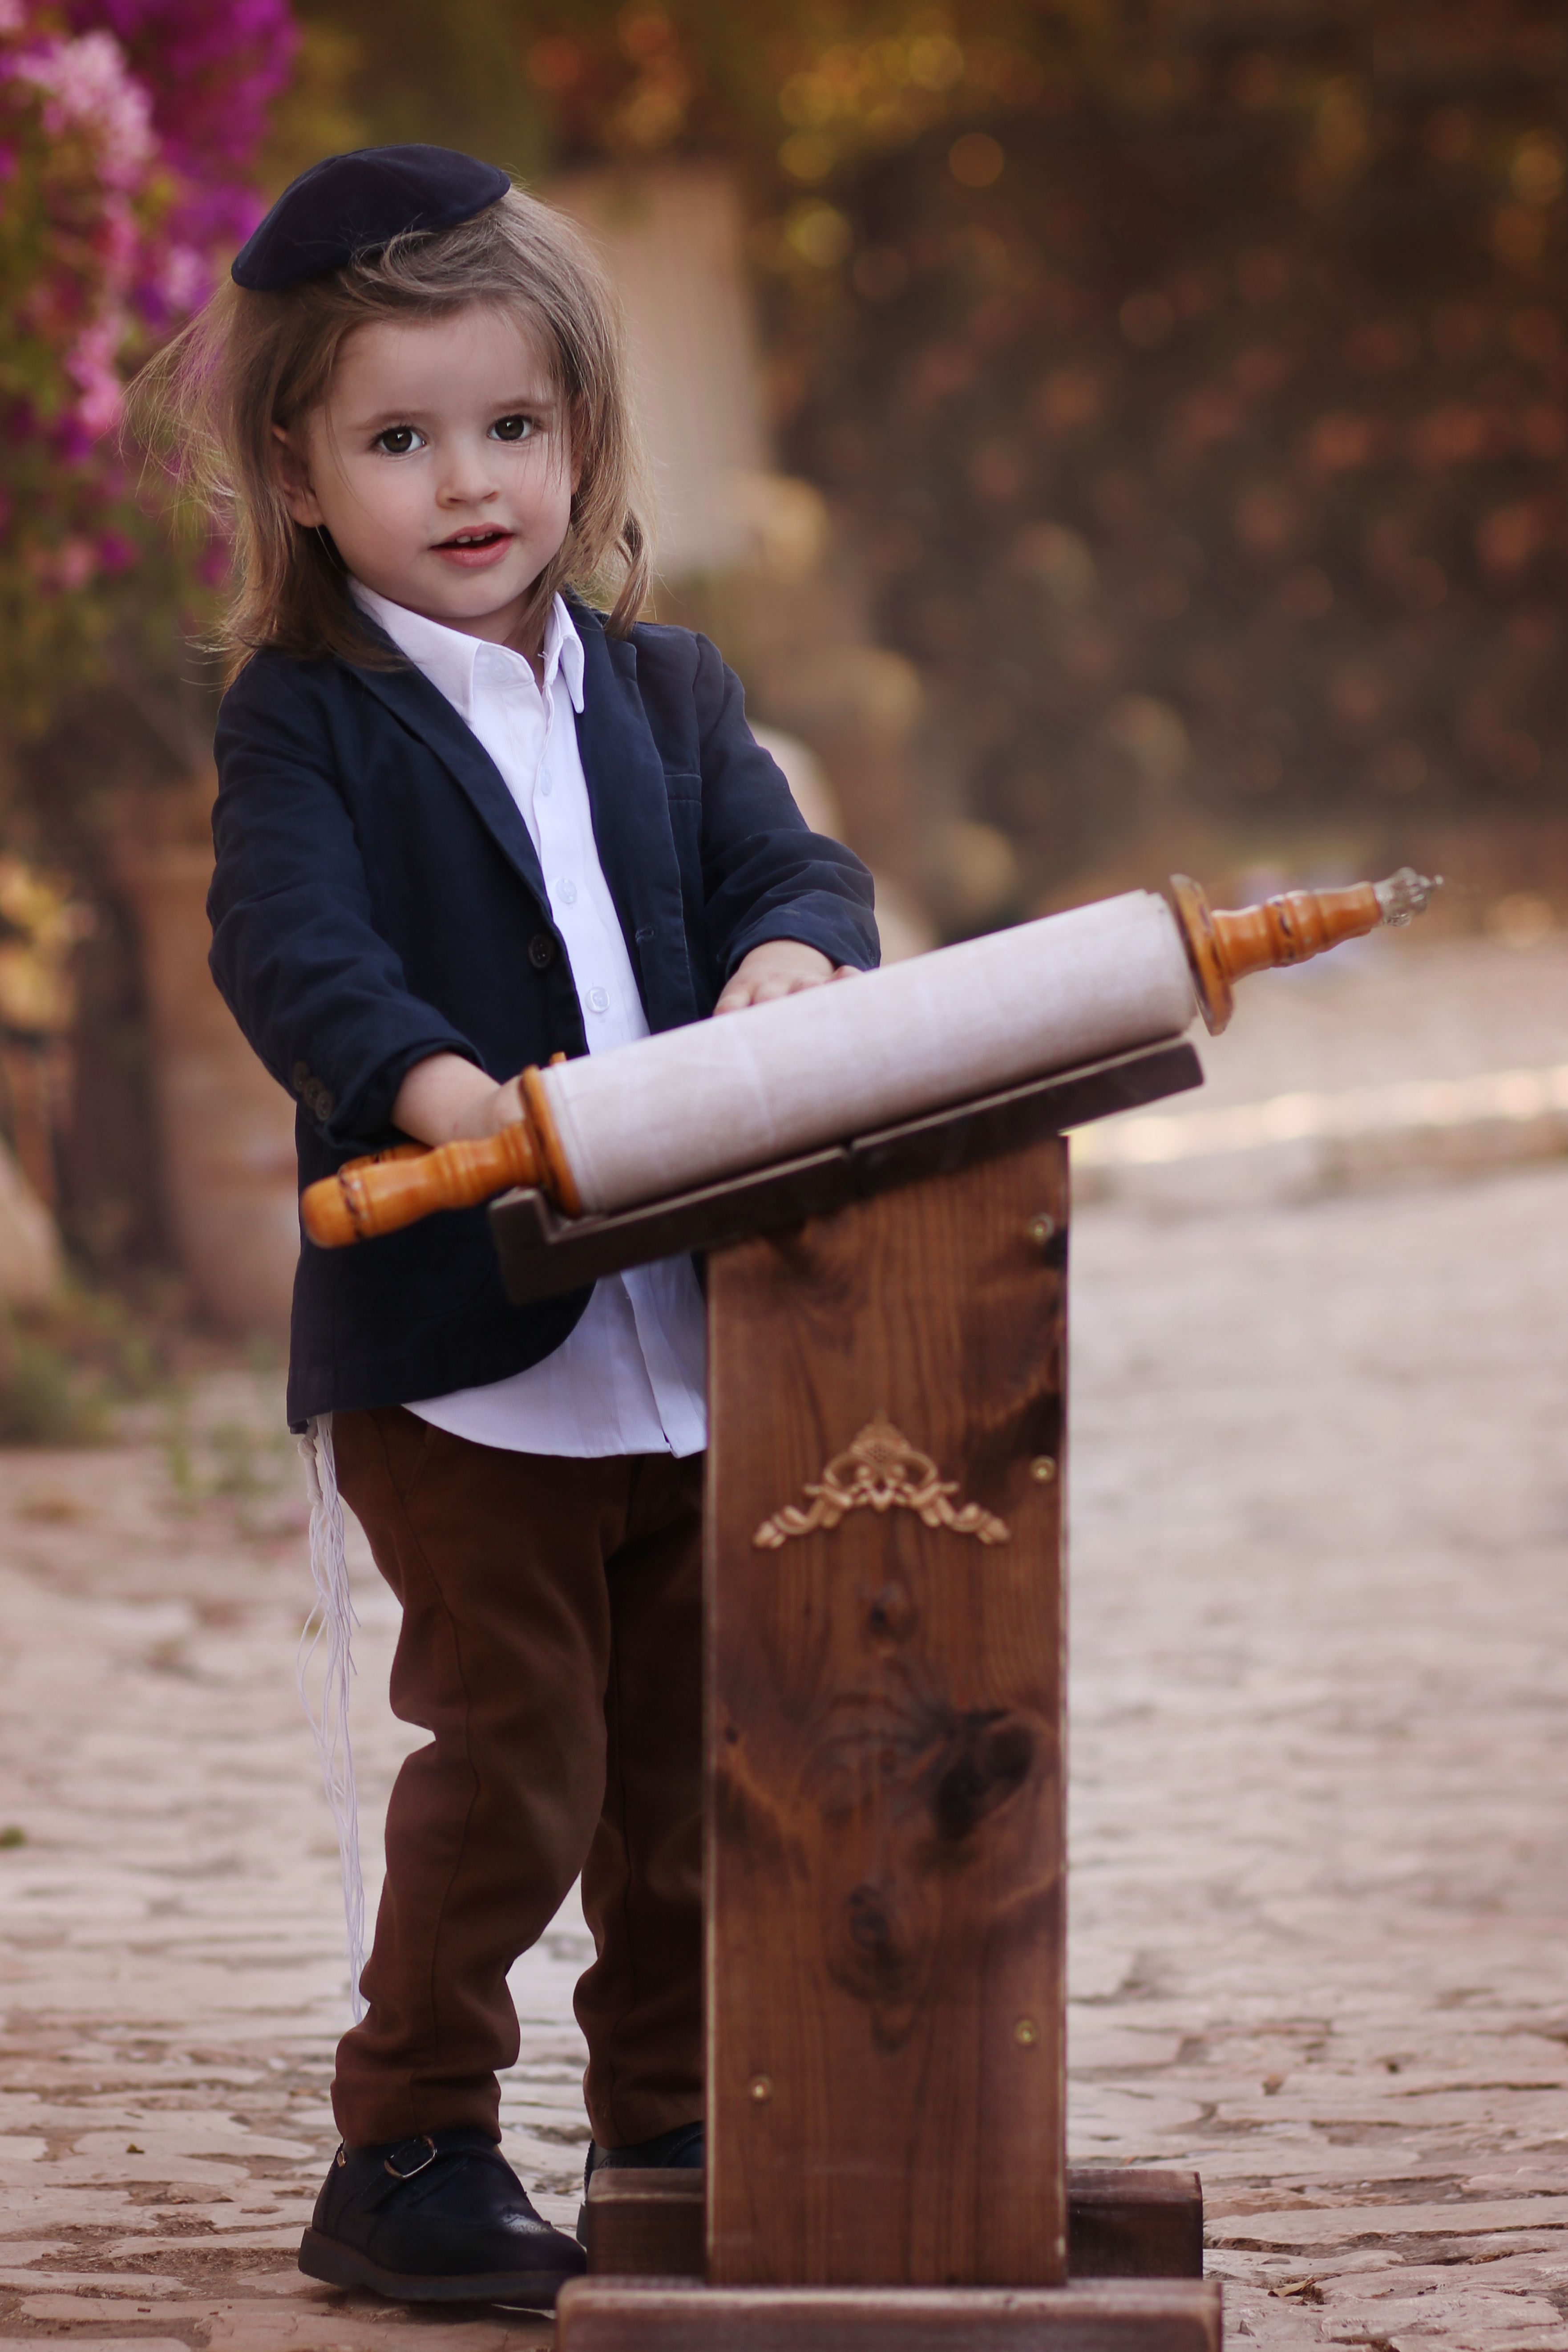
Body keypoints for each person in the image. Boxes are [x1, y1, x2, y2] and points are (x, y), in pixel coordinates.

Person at [130, 145, 877, 2309]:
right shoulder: (306, 719)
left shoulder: (666, 689)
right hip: (469, 1345)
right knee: (520, 1756)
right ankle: (408, 2140)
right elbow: (294, 951)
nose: (466, 481)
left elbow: (792, 872)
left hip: (685, 1332)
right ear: (296, 474)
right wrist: (453, 1097)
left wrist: (790, 961)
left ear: (577, 435)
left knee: (687, 1759)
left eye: (510, 426)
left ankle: (665, 2122)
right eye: (398, 440)